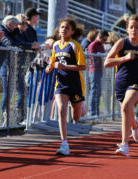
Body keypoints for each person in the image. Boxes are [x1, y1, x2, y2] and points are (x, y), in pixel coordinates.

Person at [104, 15, 138, 157]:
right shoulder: (121, 43)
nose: (134, 30)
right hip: (121, 82)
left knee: (126, 107)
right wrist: (124, 58)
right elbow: (107, 62)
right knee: (127, 110)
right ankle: (135, 126)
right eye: (131, 27)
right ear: (127, 29)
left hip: (137, 82)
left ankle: (124, 145)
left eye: (137, 27)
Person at [45, 17, 85, 156]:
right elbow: (53, 60)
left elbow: (82, 66)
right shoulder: (55, 44)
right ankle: (64, 143)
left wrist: (64, 66)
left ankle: (81, 105)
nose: (63, 29)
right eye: (62, 27)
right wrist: (49, 67)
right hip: (61, 83)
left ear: (72, 31)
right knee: (61, 110)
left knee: (76, 117)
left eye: (67, 28)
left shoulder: (75, 45)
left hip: (75, 84)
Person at [87, 30, 109, 116]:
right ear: (99, 37)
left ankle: (96, 111)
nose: (105, 42)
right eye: (104, 40)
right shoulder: (93, 45)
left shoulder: (101, 46)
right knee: (94, 91)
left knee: (98, 91)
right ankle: (91, 111)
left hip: (99, 71)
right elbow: (92, 58)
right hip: (93, 71)